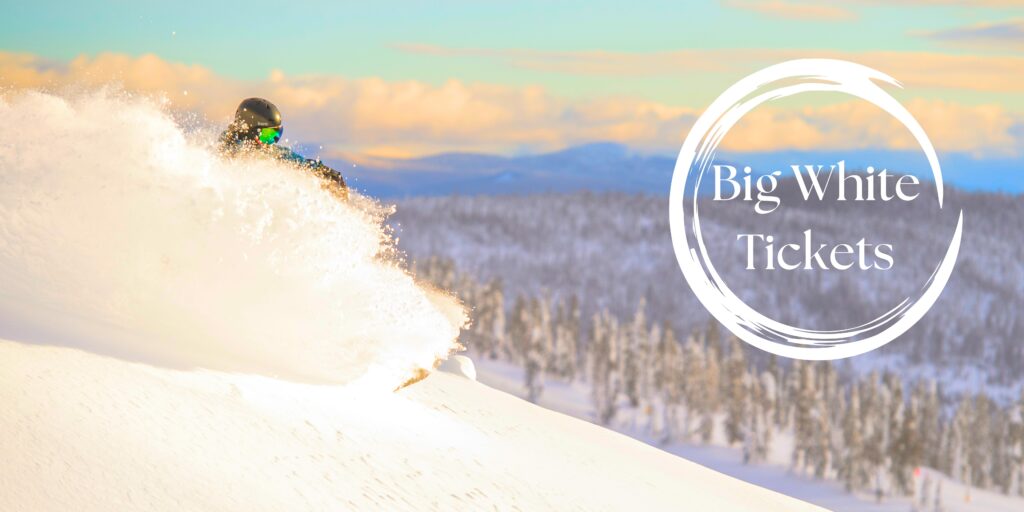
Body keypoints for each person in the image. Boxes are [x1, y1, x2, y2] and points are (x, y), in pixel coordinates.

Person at [218, 98, 348, 200]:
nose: (272, 141)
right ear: (249, 130)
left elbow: (287, 158)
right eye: (267, 136)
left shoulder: (263, 149)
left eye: (277, 134)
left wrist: (320, 170)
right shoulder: (230, 149)